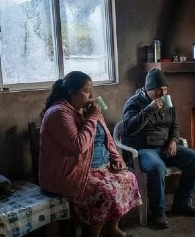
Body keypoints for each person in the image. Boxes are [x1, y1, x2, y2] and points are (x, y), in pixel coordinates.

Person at [39, 71, 141, 237]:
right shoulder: (59, 113)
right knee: (105, 192)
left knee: (128, 178)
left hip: (96, 167)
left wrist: (117, 158)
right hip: (69, 174)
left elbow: (107, 137)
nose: (92, 95)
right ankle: (92, 234)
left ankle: (112, 227)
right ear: (72, 92)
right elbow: (79, 146)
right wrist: (92, 117)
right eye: (87, 91)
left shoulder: (83, 109)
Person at [121, 69, 195, 229]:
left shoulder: (167, 102)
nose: (162, 93)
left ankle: (183, 203)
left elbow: (175, 125)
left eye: (165, 89)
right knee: (157, 167)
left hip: (166, 147)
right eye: (158, 90)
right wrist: (149, 109)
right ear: (148, 89)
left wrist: (173, 141)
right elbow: (129, 128)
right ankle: (158, 212)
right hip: (144, 150)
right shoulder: (134, 103)